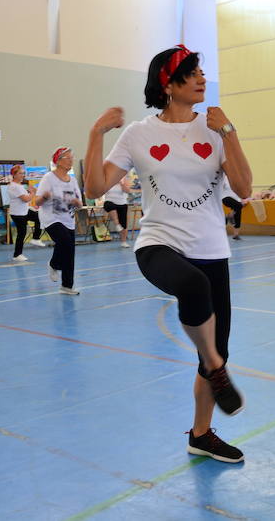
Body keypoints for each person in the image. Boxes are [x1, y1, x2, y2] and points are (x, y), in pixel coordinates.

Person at [83, 45, 252, 464]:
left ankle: (201, 433)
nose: (202, 79)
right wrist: (95, 134)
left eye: (201, 72)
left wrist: (229, 132)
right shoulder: (139, 133)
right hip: (158, 243)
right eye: (192, 72)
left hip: (212, 248)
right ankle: (214, 364)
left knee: (216, 351)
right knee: (192, 290)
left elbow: (245, 188)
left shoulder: (215, 128)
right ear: (167, 83)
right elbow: (96, 188)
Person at [35, 147, 83, 293]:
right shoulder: (48, 178)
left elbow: (80, 203)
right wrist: (44, 197)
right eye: (67, 158)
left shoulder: (73, 180)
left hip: (68, 218)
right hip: (51, 218)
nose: (71, 160)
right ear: (58, 161)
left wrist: (76, 202)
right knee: (65, 242)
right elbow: (37, 202)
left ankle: (66, 286)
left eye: (72, 157)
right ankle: (54, 264)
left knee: (70, 252)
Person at [6, 164, 35, 261]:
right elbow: (26, 199)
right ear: (14, 175)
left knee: (39, 217)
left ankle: (36, 238)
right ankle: (17, 255)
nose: (23, 175)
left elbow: (26, 200)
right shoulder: (15, 186)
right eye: (20, 173)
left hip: (24, 211)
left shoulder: (19, 186)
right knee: (21, 233)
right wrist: (32, 193)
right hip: (18, 214)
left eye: (23, 173)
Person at [102, 176, 133, 248]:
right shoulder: (108, 179)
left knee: (124, 224)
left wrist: (121, 184)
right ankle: (117, 224)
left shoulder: (124, 179)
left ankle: (124, 242)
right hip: (110, 201)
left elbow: (127, 191)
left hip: (122, 202)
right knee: (109, 205)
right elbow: (103, 190)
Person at [221, 176, 244, 240]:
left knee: (238, 214)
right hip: (226, 197)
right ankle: (229, 216)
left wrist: (242, 199)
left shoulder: (238, 179)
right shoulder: (224, 178)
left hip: (236, 199)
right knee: (239, 206)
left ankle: (235, 235)